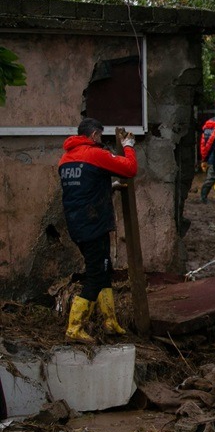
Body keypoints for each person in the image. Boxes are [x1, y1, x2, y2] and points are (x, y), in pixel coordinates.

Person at [58, 118, 138, 342]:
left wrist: (106, 187)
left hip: (77, 224)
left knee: (104, 270)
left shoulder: (65, 159)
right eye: (100, 137)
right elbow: (129, 169)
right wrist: (129, 148)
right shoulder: (94, 153)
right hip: (94, 226)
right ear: (94, 135)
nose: (100, 140)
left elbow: (82, 188)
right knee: (95, 275)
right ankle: (74, 328)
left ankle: (110, 321)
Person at [198, 107, 215, 203]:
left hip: (209, 155)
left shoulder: (207, 125)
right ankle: (203, 197)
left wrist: (204, 157)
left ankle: (205, 196)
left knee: (212, 177)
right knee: (214, 177)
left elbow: (203, 142)